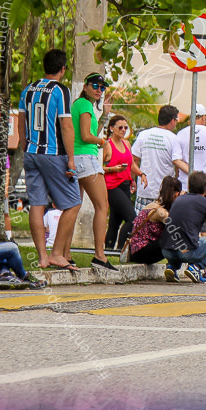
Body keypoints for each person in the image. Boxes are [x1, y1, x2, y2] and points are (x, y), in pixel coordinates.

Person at [18, 49, 82, 271]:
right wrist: (71, 160)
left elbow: (21, 122)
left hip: (30, 152)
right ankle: (56, 253)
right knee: (73, 203)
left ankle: (42, 257)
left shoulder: (27, 89)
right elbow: (65, 125)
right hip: (53, 153)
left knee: (37, 204)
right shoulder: (60, 90)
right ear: (63, 69)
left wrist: (25, 145)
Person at [71, 73, 117, 271]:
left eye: (102, 87)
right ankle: (99, 255)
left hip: (78, 158)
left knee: (73, 207)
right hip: (85, 159)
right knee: (102, 206)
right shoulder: (83, 104)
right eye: (95, 86)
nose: (99, 90)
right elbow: (86, 136)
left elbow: (91, 132)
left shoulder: (83, 105)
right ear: (86, 86)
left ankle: (65, 255)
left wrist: (106, 114)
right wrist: (104, 142)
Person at [159, 170, 206, 282]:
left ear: (189, 186)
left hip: (166, 250)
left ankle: (172, 267)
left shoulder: (178, 200)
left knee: (182, 239)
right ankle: (196, 267)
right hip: (185, 252)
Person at [131, 105, 187, 212]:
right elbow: (177, 167)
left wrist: (132, 180)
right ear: (172, 121)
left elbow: (134, 161)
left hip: (144, 191)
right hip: (165, 194)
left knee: (141, 225)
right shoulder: (174, 139)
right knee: (164, 226)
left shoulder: (143, 135)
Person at [104, 115, 140, 251]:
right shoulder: (107, 145)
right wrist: (112, 169)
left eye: (125, 127)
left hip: (125, 184)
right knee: (132, 219)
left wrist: (138, 176)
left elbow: (130, 164)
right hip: (112, 186)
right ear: (112, 128)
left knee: (115, 221)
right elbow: (98, 166)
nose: (123, 130)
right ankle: (121, 249)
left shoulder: (126, 144)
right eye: (120, 127)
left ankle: (108, 249)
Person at [127, 176, 181, 266]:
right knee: (175, 235)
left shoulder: (155, 204)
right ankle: (175, 266)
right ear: (176, 194)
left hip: (137, 251)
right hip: (141, 252)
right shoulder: (161, 212)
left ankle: (174, 266)